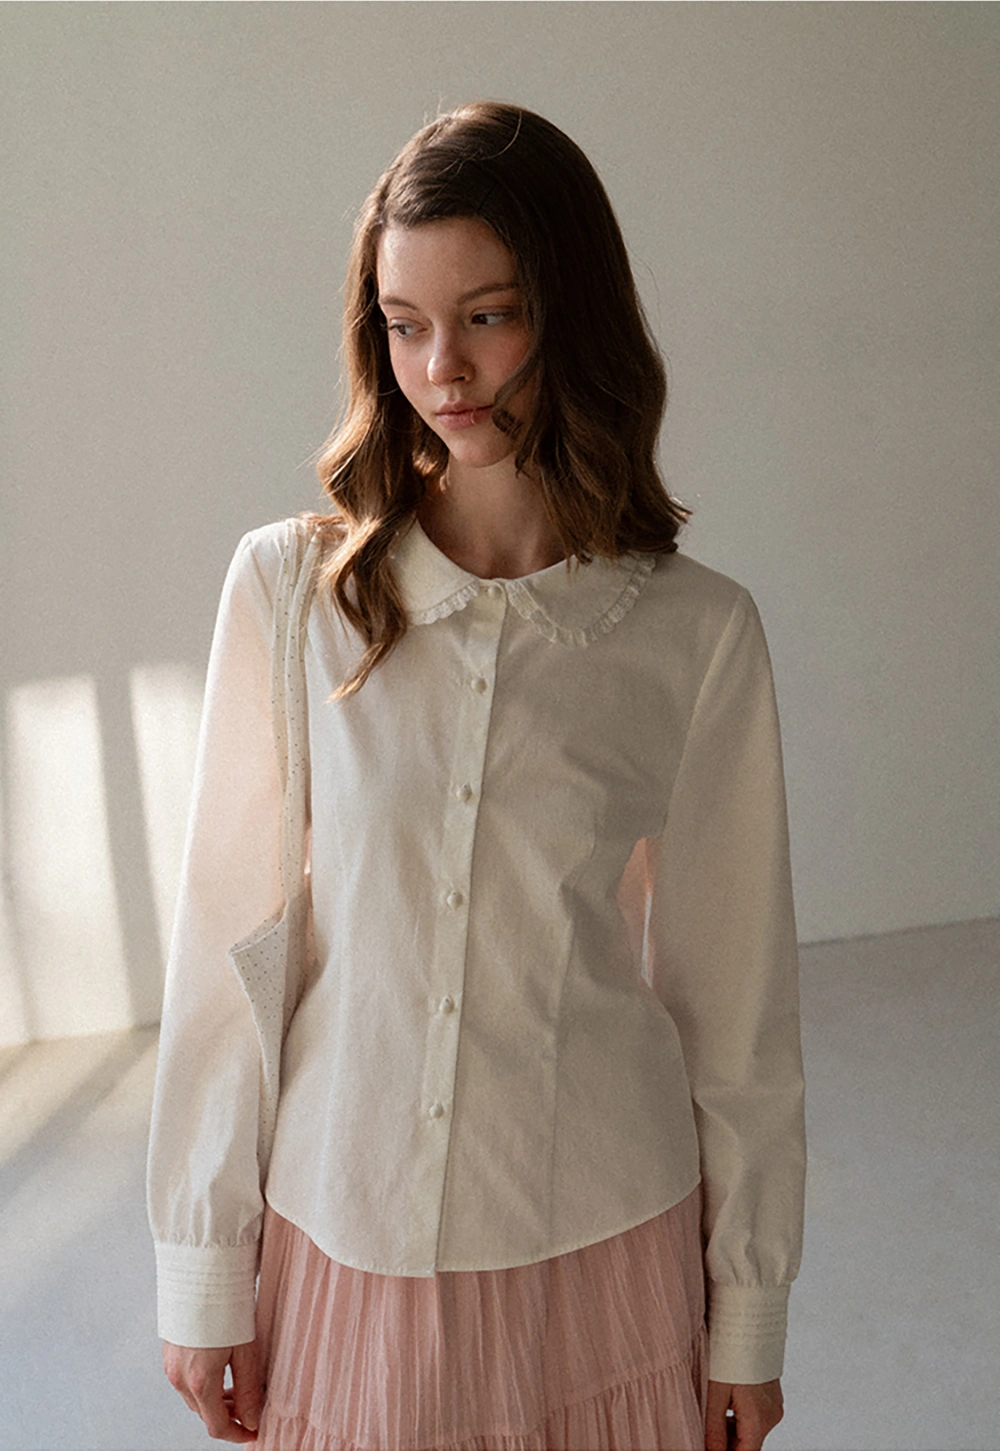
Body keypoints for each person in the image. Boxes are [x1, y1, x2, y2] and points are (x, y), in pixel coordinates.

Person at [148, 102, 806, 1451]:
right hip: (350, 1242)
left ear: (575, 314)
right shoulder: (292, 591)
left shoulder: (697, 631)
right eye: (403, 323)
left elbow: (733, 1006)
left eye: (490, 316)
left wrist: (745, 1307)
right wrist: (203, 1263)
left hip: (608, 1252)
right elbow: (230, 946)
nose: (442, 366)